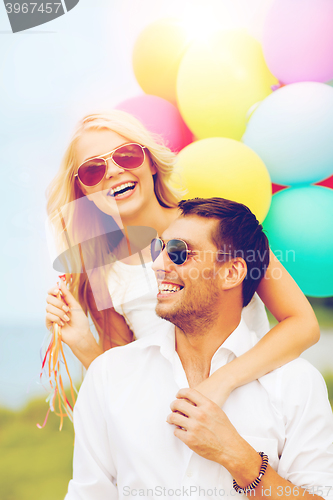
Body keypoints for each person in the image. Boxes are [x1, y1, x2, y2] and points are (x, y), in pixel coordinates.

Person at [45, 110, 319, 407]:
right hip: (175, 427)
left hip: (256, 406)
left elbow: (302, 325)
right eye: (92, 170)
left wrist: (221, 382)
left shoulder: (219, 223)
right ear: (83, 189)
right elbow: (123, 383)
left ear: (150, 162)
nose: (112, 172)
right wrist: (84, 344)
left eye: (126, 156)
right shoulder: (103, 272)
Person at [65, 198, 333, 499]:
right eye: (159, 249)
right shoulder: (108, 374)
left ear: (231, 273)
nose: (157, 264)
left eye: (179, 253)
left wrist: (239, 458)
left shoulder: (298, 385)